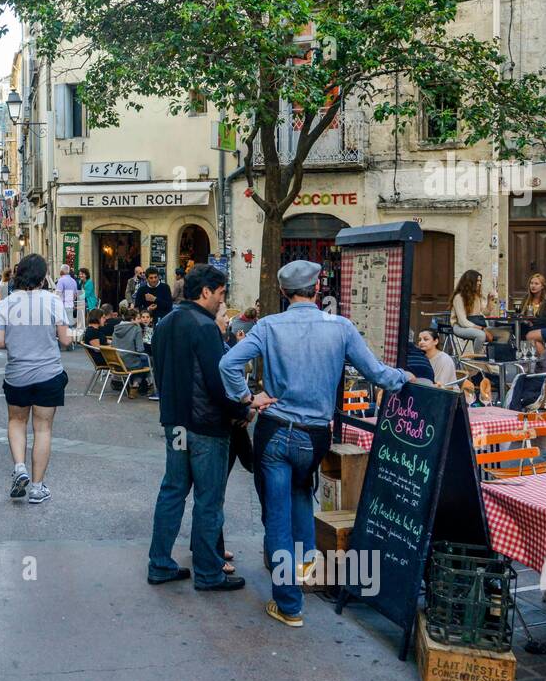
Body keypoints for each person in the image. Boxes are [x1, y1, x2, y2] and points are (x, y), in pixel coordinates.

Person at [221, 259, 412, 628]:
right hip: (315, 435)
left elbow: (229, 364)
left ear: (283, 291)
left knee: (277, 518)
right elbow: (377, 374)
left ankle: (289, 604)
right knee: (300, 496)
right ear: (318, 287)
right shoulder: (339, 326)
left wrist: (247, 398)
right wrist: (405, 375)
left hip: (275, 430)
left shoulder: (269, 326)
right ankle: (306, 562)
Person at [148, 264, 274, 591]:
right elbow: (218, 383)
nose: (222, 301)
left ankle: (160, 563)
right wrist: (243, 407)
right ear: (205, 292)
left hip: (175, 425)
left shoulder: (165, 323)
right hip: (205, 428)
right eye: (220, 294)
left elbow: (159, 374)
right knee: (208, 498)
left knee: (173, 490)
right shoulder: (204, 327)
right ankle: (208, 572)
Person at [0, 253, 71, 504]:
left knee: (16, 421)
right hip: (49, 374)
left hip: (17, 375)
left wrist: (18, 344)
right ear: (43, 275)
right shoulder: (53, 301)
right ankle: (37, 488)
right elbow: (66, 340)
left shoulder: (6, 303)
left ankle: (19, 468)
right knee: (43, 429)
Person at [449, 269, 495, 355]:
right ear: (470, 282)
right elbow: (463, 322)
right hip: (459, 327)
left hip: (475, 324)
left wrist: (489, 300)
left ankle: (493, 359)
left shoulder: (477, 296)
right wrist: (482, 329)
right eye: (477, 281)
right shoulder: (459, 297)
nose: (479, 283)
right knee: (481, 335)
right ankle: (478, 359)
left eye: (480, 281)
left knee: (503, 333)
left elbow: (485, 313)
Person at [111, 306, 150, 395]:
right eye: (138, 318)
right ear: (132, 319)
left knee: (143, 360)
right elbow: (140, 350)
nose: (140, 320)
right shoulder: (136, 329)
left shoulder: (116, 328)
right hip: (129, 364)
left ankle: (134, 385)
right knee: (147, 360)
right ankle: (139, 384)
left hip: (116, 363)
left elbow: (112, 345)